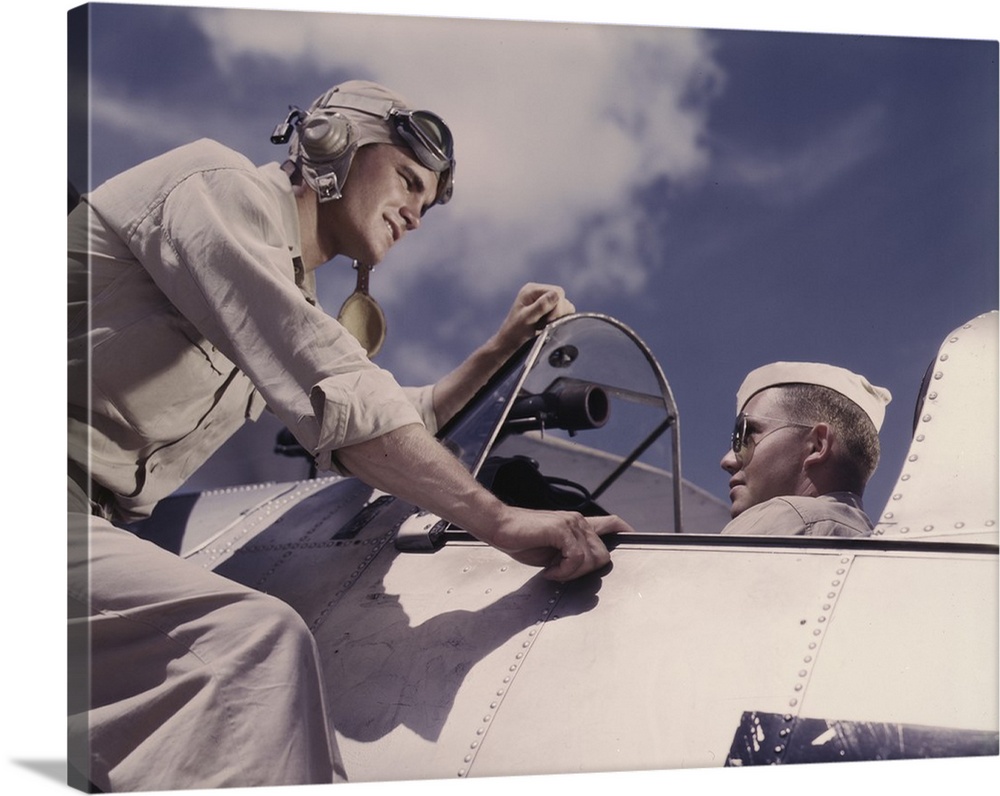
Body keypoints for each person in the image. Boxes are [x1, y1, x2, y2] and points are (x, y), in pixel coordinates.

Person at [67, 80, 630, 791]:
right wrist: (498, 520)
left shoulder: (282, 303)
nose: (417, 215)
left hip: (83, 531)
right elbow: (344, 396)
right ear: (331, 145)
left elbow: (388, 418)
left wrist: (498, 350)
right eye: (406, 179)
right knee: (246, 645)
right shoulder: (217, 188)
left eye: (427, 201)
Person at [719, 361, 892, 537]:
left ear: (818, 445)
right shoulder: (866, 539)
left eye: (748, 435)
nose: (728, 460)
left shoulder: (784, 518)